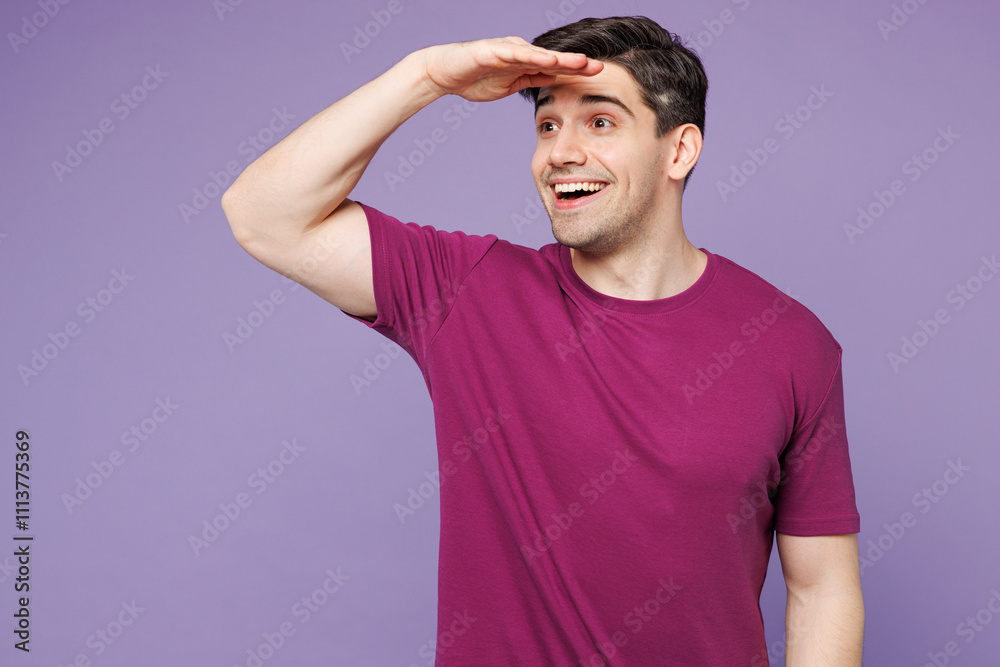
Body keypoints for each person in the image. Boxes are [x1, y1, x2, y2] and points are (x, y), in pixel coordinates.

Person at [221, 15, 863, 666]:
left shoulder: (789, 343)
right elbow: (264, 215)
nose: (561, 152)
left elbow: (822, 588)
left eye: (600, 122)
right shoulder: (468, 292)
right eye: (547, 125)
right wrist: (425, 77)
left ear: (680, 150)